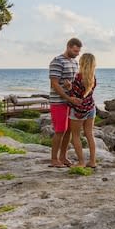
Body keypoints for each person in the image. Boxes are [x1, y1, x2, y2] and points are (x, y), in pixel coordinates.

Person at [48, 37, 82, 167]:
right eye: (74, 51)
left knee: (68, 131)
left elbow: (73, 83)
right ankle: (54, 159)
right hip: (58, 102)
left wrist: (71, 90)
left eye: (78, 52)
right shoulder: (57, 61)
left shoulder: (74, 62)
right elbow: (54, 84)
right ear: (68, 47)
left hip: (70, 102)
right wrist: (68, 98)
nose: (77, 54)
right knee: (60, 130)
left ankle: (63, 157)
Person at [68, 52, 98, 168]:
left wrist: (68, 87)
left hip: (78, 111)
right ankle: (92, 161)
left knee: (75, 135)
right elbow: (86, 94)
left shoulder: (78, 78)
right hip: (91, 108)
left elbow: (74, 96)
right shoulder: (93, 78)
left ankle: (81, 162)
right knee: (90, 134)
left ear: (82, 63)